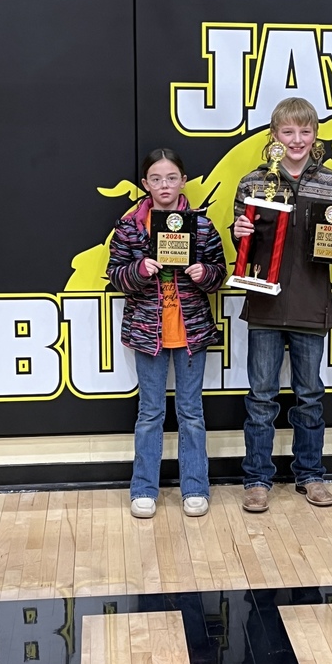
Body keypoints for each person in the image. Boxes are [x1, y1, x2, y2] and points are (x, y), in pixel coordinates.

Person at [233, 97, 332, 512]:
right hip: (265, 304)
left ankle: (310, 475)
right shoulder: (253, 183)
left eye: (305, 131)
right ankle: (257, 479)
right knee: (261, 397)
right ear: (274, 136)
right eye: (288, 132)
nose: (297, 139)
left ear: (315, 136)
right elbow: (242, 242)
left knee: (310, 396)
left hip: (311, 304)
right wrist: (238, 231)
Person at [107, 148, 226, 519]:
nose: (164, 185)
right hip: (148, 333)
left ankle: (196, 487)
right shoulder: (129, 228)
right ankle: (143, 488)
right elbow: (115, 276)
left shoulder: (202, 226)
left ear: (183, 181)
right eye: (156, 179)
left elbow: (219, 273)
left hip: (191, 333)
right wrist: (139, 270)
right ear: (145, 184)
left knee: (191, 413)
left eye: (171, 178)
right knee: (150, 413)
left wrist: (203, 274)